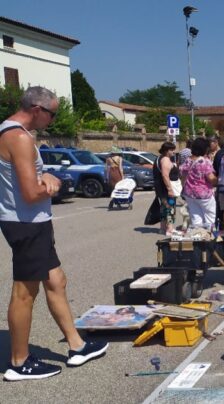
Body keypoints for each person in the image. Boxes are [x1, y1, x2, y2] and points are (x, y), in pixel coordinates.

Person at [0, 87, 108, 381]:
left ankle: (77, 346)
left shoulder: (14, 133)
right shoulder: (18, 137)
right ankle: (19, 362)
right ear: (37, 109)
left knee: (56, 280)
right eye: (52, 113)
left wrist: (42, 176)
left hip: (33, 222)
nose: (53, 119)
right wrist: (50, 179)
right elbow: (31, 191)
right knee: (25, 292)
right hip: (26, 224)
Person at [179, 137, 217, 230]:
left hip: (189, 194)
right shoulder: (204, 162)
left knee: (196, 219)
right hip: (204, 196)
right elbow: (211, 179)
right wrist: (218, 180)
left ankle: (197, 239)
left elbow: (182, 176)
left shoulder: (187, 160)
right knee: (210, 219)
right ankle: (209, 240)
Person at [153, 142, 180, 235]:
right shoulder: (165, 160)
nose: (173, 152)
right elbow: (165, 175)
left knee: (164, 207)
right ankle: (170, 229)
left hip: (160, 188)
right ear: (166, 151)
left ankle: (162, 228)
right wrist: (170, 189)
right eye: (171, 150)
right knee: (170, 208)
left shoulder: (159, 158)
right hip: (166, 188)